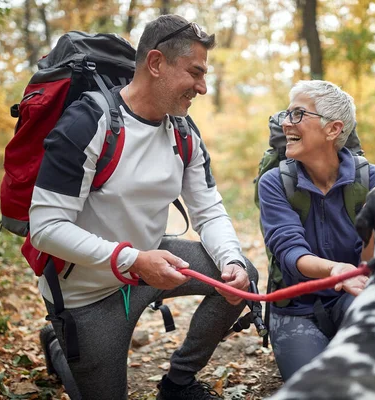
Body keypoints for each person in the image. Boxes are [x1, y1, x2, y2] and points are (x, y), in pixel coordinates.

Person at [31, 14, 258, 400]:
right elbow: (45, 226)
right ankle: (59, 345)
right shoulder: (88, 122)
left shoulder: (184, 130)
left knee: (241, 275)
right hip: (88, 293)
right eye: (195, 73)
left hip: (153, 262)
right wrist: (132, 260)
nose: (203, 87)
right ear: (155, 64)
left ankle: (179, 382)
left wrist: (231, 262)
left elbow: (209, 210)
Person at [257, 80, 375, 382]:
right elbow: (290, 253)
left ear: (333, 129)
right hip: (295, 309)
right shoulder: (274, 183)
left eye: (297, 114)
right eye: (286, 114)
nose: (285, 123)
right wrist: (336, 270)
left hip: (355, 297)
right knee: (316, 389)